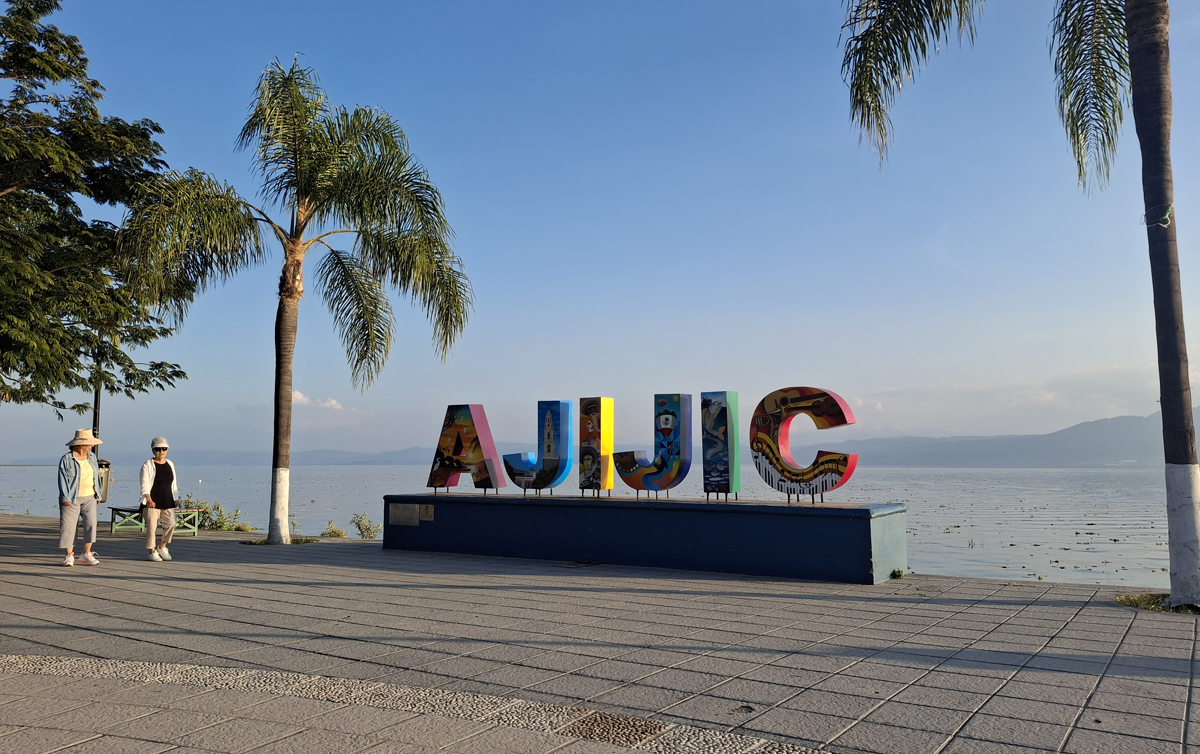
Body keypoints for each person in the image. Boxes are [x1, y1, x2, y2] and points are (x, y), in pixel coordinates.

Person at [58, 429, 102, 567]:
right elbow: (62, 479)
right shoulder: (67, 459)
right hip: (71, 498)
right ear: (80, 444)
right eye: (89, 443)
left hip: (90, 497)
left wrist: (98, 494)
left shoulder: (92, 457)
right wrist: (66, 497)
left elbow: (97, 477)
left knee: (91, 524)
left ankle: (86, 553)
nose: (92, 446)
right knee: (69, 527)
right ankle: (69, 556)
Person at [139, 437, 178, 562]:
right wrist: (149, 499)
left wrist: (175, 498)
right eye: (157, 449)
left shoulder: (170, 464)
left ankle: (162, 546)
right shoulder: (147, 465)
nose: (161, 451)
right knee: (152, 527)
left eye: (164, 449)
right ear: (153, 450)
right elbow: (144, 485)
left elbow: (173, 483)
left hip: (167, 500)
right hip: (152, 502)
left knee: (171, 523)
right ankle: (152, 551)